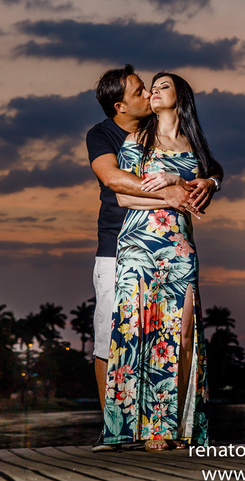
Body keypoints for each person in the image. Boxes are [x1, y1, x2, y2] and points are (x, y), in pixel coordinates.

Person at [85, 67, 220, 441]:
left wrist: (202, 181)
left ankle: (175, 426)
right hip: (121, 248)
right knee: (114, 341)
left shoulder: (182, 138)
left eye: (155, 88)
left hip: (177, 248)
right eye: (141, 90)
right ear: (120, 105)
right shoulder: (111, 136)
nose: (148, 94)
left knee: (182, 334)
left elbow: (210, 168)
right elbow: (114, 182)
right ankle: (117, 430)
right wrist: (168, 193)